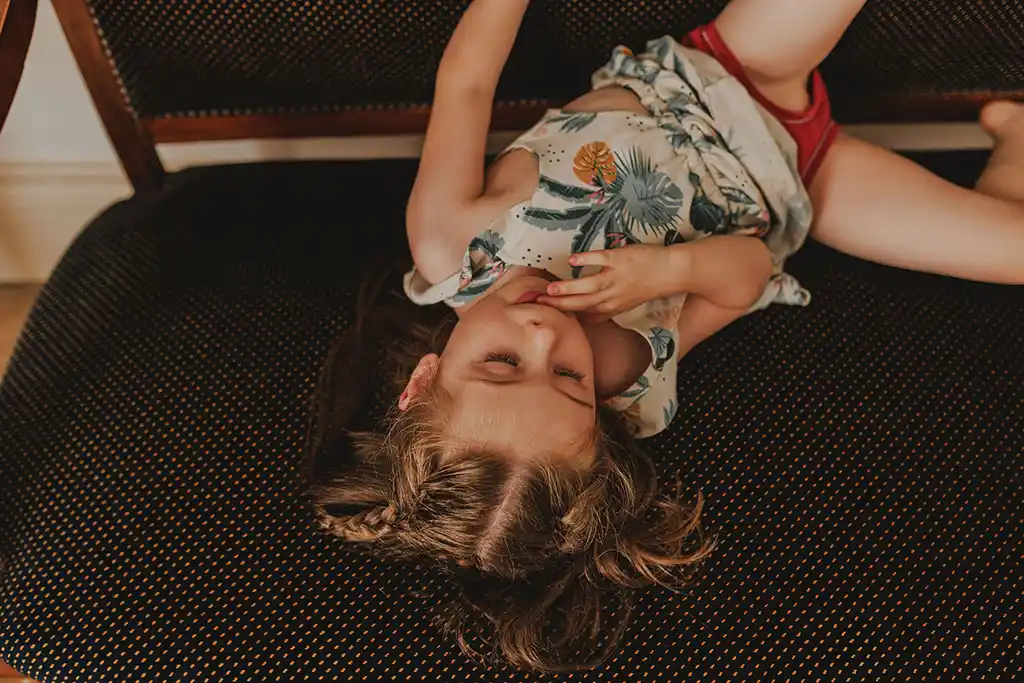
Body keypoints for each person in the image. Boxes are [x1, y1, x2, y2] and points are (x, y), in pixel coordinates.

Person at [310, 0, 1024, 669]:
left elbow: (467, 83)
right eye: (568, 379)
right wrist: (669, 269)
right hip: (805, 184)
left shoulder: (450, 241)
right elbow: (751, 273)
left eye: (501, 361)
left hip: (728, 80)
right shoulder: (628, 371)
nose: (544, 335)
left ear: (424, 378)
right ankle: (1012, 149)